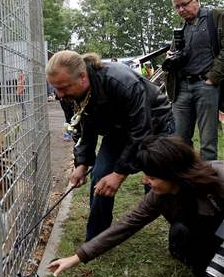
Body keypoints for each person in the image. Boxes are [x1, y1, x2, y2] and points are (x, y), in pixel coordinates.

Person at [48, 135, 224, 277]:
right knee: (182, 242)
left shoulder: (217, 177)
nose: (145, 182)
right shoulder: (159, 196)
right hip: (206, 232)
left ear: (173, 174)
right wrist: (77, 257)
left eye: (152, 177)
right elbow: (128, 224)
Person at [45, 50, 174, 241]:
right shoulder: (68, 95)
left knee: (158, 184)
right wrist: (82, 163)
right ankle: (97, 238)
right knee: (100, 176)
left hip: (154, 126)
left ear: (83, 76)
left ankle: (185, 232)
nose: (59, 95)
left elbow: (141, 131)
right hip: (117, 130)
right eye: (55, 88)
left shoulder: (121, 81)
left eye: (63, 88)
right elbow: (82, 128)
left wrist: (119, 174)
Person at [163, 0, 224, 160]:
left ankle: (208, 184)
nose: (180, 9)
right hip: (181, 88)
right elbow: (180, 56)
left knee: (207, 143)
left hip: (206, 86)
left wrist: (212, 79)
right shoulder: (181, 29)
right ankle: (187, 180)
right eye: (177, 6)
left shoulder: (216, 17)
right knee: (179, 141)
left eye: (184, 4)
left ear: (197, 0)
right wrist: (172, 56)